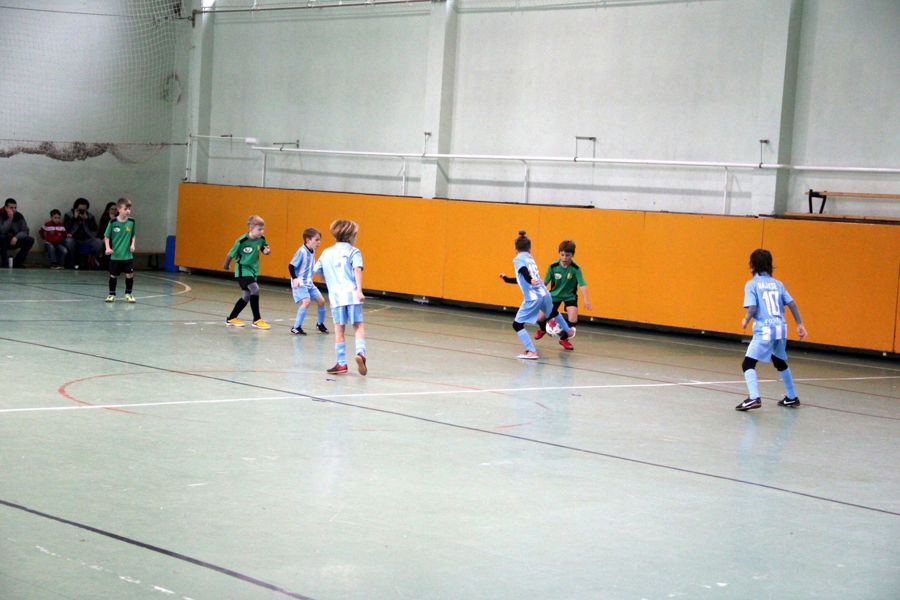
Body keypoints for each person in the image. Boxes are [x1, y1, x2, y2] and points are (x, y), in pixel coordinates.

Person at [735, 248, 808, 411]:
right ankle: (792, 397)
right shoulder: (778, 284)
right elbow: (792, 304)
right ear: (770, 265)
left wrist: (746, 319)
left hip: (765, 328)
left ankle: (754, 398)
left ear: (752, 265)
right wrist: (799, 324)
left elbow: (753, 307)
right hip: (781, 328)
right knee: (779, 361)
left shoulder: (752, 284)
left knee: (748, 363)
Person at [499, 230, 572, 359]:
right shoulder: (530, 258)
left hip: (533, 298)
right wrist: (507, 279)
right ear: (530, 249)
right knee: (553, 312)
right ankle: (568, 330)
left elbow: (524, 272)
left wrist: (529, 280)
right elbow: (521, 278)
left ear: (516, 249)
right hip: (545, 294)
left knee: (517, 325)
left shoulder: (518, 259)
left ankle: (532, 351)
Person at [314, 219, 367, 375]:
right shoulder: (354, 251)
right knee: (358, 325)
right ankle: (361, 353)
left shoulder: (326, 252)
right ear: (350, 236)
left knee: (339, 330)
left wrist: (329, 279)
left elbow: (317, 270)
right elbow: (357, 270)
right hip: (352, 295)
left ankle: (341, 363)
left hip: (336, 297)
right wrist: (359, 290)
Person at [535, 239, 592, 350]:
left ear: (572, 255)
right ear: (559, 254)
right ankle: (542, 329)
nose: (564, 258)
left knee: (573, 319)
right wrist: (538, 294)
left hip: (570, 296)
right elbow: (544, 283)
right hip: (554, 295)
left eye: (567, 255)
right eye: (562, 255)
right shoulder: (553, 267)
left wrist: (586, 300)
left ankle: (564, 339)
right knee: (540, 317)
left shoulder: (576, 268)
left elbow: (582, 284)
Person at [224, 215, 271, 330]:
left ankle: (231, 318)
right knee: (255, 289)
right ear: (251, 228)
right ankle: (257, 320)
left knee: (246, 296)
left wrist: (267, 251)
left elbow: (263, 248)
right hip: (242, 270)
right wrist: (226, 265)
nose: (262, 231)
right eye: (259, 229)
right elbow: (231, 254)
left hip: (253, 270)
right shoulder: (241, 241)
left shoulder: (262, 238)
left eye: (262, 229)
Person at [288, 227, 329, 335]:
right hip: (300, 283)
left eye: (319, 240)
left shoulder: (312, 250)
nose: (319, 242)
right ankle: (296, 327)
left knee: (321, 301)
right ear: (308, 239)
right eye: (317, 240)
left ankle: (320, 324)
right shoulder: (301, 252)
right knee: (306, 302)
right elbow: (291, 266)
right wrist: (295, 279)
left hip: (309, 282)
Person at [103, 198, 137, 303]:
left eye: (129, 209)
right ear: (119, 209)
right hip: (116, 256)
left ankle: (128, 294)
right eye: (125, 209)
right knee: (113, 275)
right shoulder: (113, 222)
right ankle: (111, 294)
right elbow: (106, 236)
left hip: (127, 255)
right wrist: (108, 248)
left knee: (130, 274)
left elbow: (133, 235)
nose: (128, 211)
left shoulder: (132, 222)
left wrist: (133, 244)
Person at [64, 198, 102, 269]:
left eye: (84, 210)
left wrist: (87, 219)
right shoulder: (69, 215)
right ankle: (73, 262)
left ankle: (93, 262)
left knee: (98, 242)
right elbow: (65, 228)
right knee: (69, 241)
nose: (82, 212)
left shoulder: (90, 216)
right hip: (74, 239)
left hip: (87, 239)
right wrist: (74, 218)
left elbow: (95, 229)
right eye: (80, 210)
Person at [0, 198, 35, 268]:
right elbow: (2, 231)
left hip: (15, 239)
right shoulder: (0, 214)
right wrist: (10, 218)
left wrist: (16, 237)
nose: (14, 209)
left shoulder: (19, 216)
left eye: (15, 207)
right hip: (3, 240)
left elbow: (25, 231)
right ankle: (5, 263)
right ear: (6, 208)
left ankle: (17, 263)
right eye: (11, 208)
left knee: (30, 240)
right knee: (2, 237)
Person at [97, 201, 118, 270]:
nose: (114, 211)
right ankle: (105, 265)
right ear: (108, 210)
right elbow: (101, 231)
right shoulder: (104, 219)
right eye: (112, 209)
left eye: (115, 209)